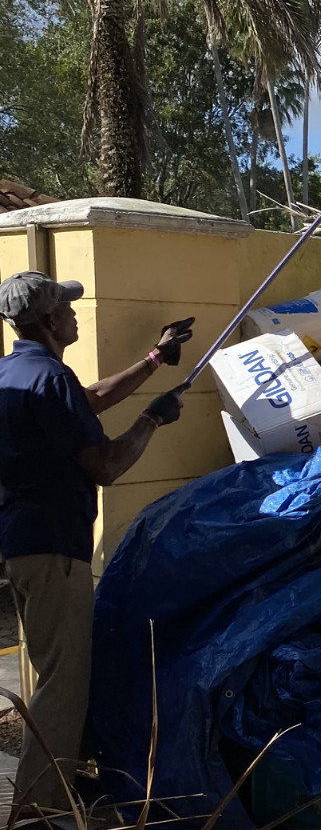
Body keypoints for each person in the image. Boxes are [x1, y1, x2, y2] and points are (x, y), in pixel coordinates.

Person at [0, 271, 193, 812]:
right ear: (47, 321)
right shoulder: (52, 380)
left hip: (23, 545)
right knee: (64, 685)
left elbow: (86, 402)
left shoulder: (16, 374)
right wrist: (153, 419)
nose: (74, 312)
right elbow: (105, 465)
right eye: (66, 305)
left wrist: (155, 360)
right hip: (57, 546)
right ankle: (38, 813)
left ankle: (51, 798)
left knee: (53, 675)